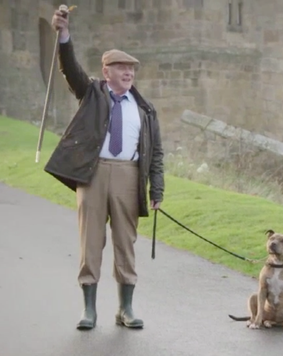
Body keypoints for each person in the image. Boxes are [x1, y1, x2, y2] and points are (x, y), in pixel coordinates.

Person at [44, 7, 165, 331]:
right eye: (122, 67)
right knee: (90, 243)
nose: (128, 73)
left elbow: (156, 154)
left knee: (126, 243)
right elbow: (70, 71)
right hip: (93, 173)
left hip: (129, 174)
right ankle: (89, 311)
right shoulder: (92, 93)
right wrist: (64, 35)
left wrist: (158, 189)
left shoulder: (145, 109)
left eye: (132, 69)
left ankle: (125, 309)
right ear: (106, 70)